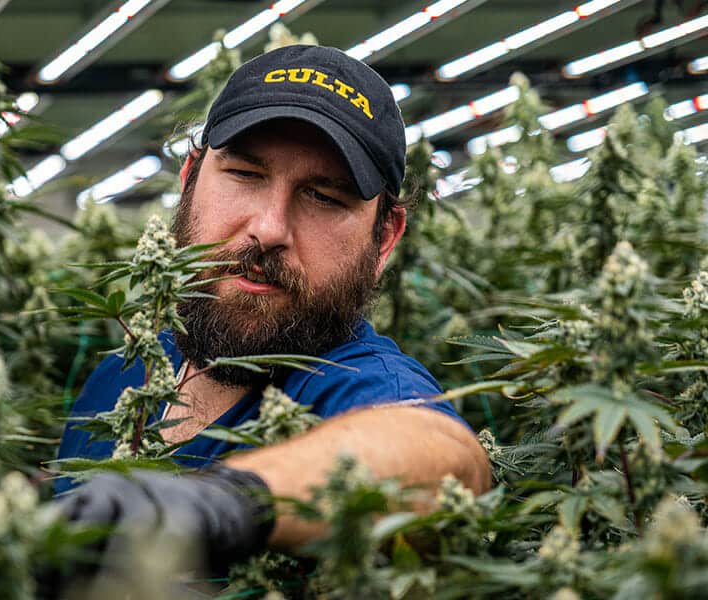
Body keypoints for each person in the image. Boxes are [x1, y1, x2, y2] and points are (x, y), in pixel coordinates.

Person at [54, 44, 491, 575]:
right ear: (189, 179)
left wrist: (230, 504)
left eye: (325, 197)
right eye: (244, 174)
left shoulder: (356, 385)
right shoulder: (124, 369)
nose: (270, 227)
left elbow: (440, 457)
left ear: (384, 240)